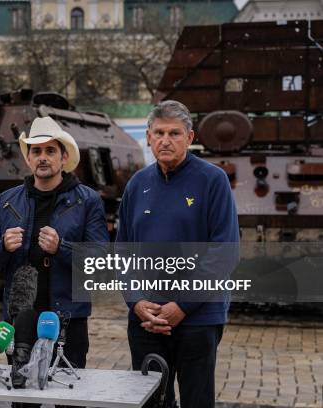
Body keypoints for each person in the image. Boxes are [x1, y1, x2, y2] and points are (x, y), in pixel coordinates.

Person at [116, 100, 239, 408]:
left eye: (174, 133)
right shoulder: (136, 184)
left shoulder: (213, 181)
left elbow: (224, 252)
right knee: (151, 402)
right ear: (147, 137)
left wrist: (182, 304)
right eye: (158, 133)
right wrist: (136, 302)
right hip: (145, 320)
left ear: (190, 137)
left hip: (198, 317)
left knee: (197, 401)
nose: (165, 140)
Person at [0, 116, 109, 388]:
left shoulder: (88, 200)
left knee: (69, 397)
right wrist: (3, 247)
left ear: (64, 157)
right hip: (21, 319)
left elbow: (101, 262)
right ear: (28, 159)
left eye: (50, 151)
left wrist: (61, 248)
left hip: (68, 320)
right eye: (36, 151)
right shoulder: (7, 201)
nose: (42, 157)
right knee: (22, 396)